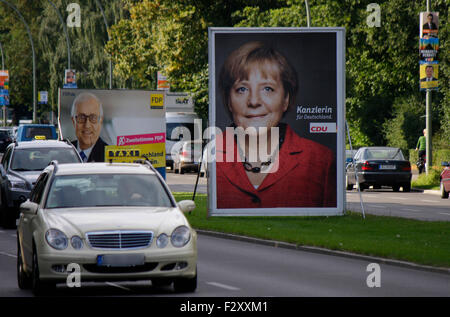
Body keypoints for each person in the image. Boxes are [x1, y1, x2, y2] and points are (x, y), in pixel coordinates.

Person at [216, 41, 336, 209]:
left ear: (286, 99)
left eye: (267, 89)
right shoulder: (213, 154)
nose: (254, 101)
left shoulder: (321, 160)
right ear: (229, 101)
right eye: (242, 89)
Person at [71, 92, 108, 162]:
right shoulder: (65, 152)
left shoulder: (108, 155)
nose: (87, 125)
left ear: (101, 121)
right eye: (81, 117)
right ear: (73, 121)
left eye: (93, 118)